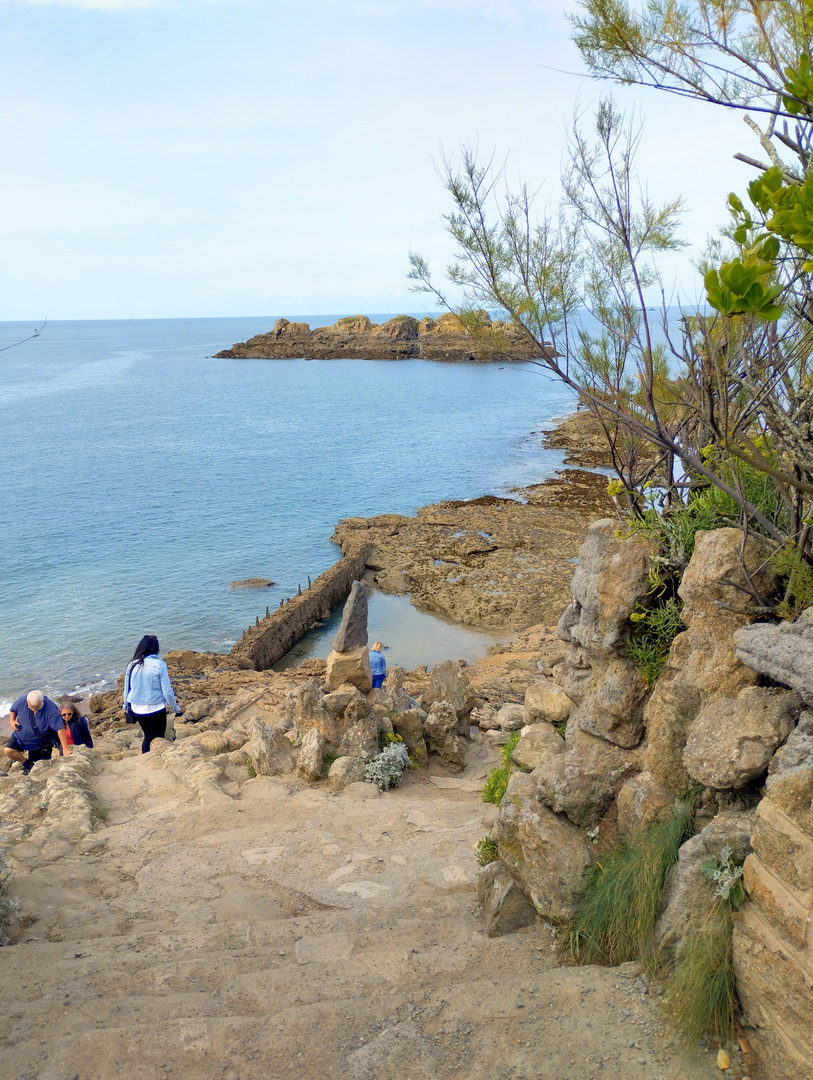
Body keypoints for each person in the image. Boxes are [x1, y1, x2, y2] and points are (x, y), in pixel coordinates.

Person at [123, 635, 185, 753]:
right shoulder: (159, 665)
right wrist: (176, 709)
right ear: (156, 649)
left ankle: (146, 759)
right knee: (158, 738)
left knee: (147, 736)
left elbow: (126, 690)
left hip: (137, 708)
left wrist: (126, 706)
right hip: (156, 707)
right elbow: (167, 692)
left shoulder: (132, 665)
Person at [4, 690, 69, 774]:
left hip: (40, 742)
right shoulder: (22, 700)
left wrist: (65, 748)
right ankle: (27, 764)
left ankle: (31, 766)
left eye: (37, 708)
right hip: (20, 736)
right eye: (31, 708)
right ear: (27, 701)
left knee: (41, 770)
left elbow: (60, 728)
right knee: (8, 750)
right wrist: (12, 721)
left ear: (42, 701)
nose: (34, 710)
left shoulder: (51, 708)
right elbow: (13, 710)